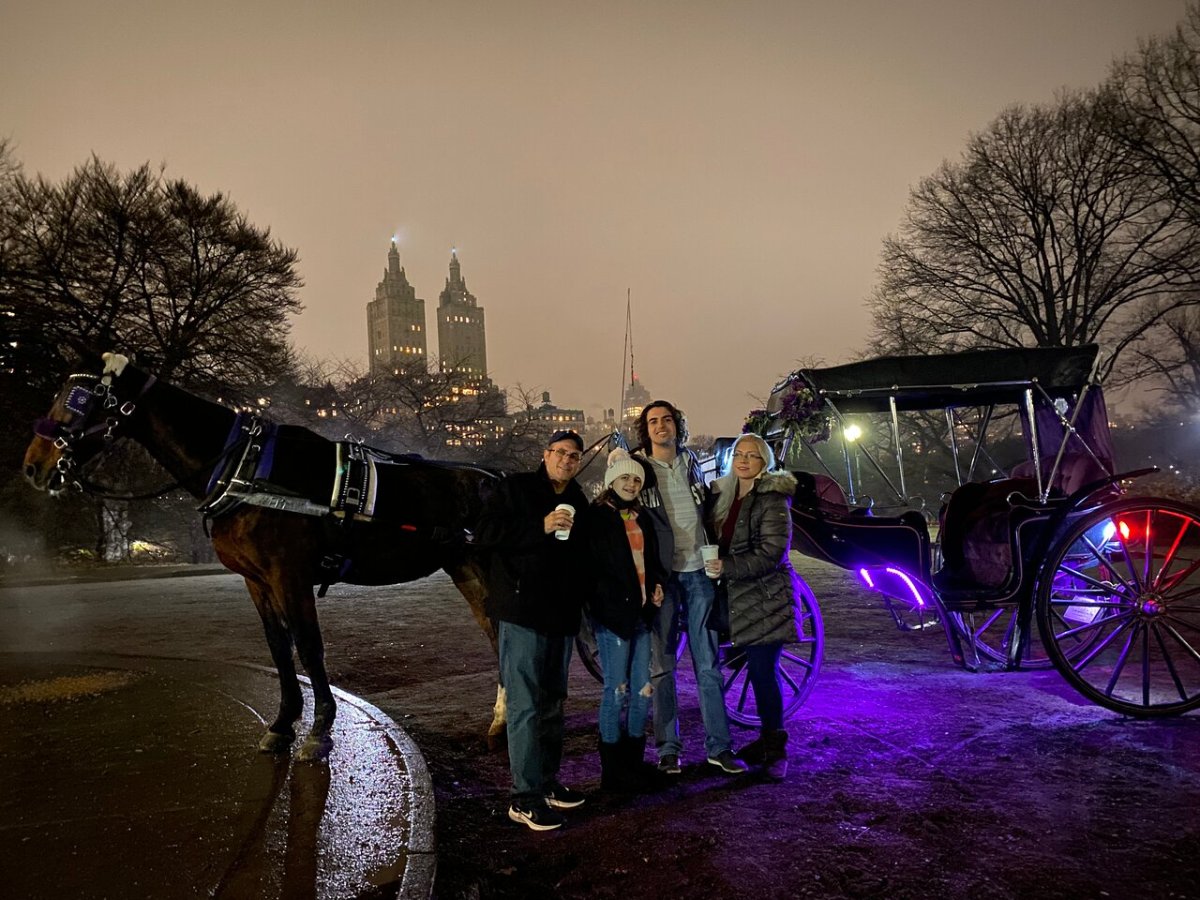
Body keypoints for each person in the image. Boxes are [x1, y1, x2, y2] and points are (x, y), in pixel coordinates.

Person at [475, 429, 590, 831]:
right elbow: (484, 535)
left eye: (573, 456)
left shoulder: (578, 499)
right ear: (545, 454)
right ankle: (523, 797)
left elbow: (580, 557)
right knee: (524, 704)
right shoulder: (516, 489)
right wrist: (537, 527)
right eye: (560, 453)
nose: (566, 461)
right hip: (522, 611)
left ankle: (547, 782)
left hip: (560, 615)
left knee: (553, 700)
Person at [633, 400, 747, 776]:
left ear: (677, 426)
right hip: (664, 577)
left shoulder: (692, 462)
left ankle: (719, 746)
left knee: (708, 664)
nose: (661, 426)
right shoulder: (638, 468)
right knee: (662, 666)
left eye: (667, 419)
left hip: (699, 570)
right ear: (646, 429)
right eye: (653, 421)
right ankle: (668, 748)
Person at [704, 432, 801, 780]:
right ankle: (765, 742)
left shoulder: (772, 498)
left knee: (763, 674)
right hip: (739, 600)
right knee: (751, 670)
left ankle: (777, 753)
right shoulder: (727, 494)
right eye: (738, 455)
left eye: (752, 456)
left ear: (765, 462)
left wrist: (726, 567)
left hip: (766, 598)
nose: (743, 461)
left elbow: (772, 554)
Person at [585, 448, 667, 791]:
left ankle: (634, 762)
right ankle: (612, 771)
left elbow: (651, 559)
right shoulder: (597, 518)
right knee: (616, 690)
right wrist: (604, 603)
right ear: (611, 482)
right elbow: (591, 571)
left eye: (636, 479)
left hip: (642, 613)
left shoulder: (642, 517)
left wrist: (658, 583)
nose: (631, 483)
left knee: (642, 689)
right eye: (625, 478)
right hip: (614, 616)